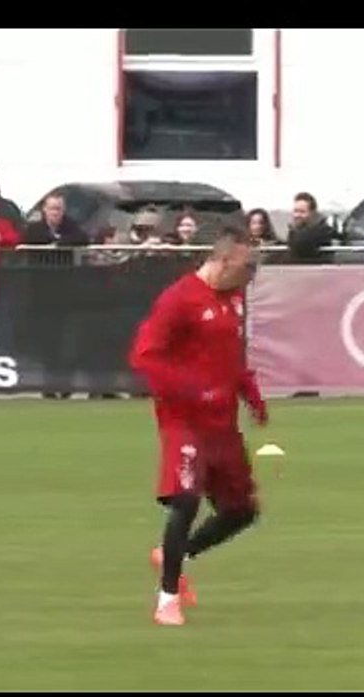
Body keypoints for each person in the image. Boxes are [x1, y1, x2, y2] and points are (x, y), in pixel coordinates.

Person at [128, 227, 269, 627]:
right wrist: (188, 388)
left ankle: (176, 553)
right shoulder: (180, 299)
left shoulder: (235, 298)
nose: (253, 274)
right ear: (224, 262)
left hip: (222, 423)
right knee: (185, 499)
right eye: (248, 266)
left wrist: (251, 395)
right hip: (184, 421)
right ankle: (167, 600)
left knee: (241, 512)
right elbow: (145, 356)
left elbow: (231, 358)